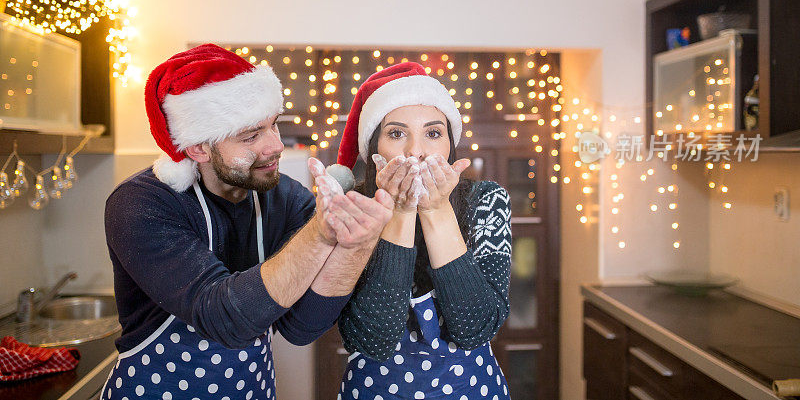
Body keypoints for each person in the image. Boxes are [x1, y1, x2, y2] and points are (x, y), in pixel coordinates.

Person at [101, 44, 393, 400]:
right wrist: (318, 235)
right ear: (198, 148)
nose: (276, 146)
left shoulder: (284, 197)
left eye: (274, 125)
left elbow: (302, 327)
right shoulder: (141, 204)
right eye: (251, 136)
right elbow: (225, 317)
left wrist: (353, 246)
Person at [334, 62, 512, 400]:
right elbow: (374, 338)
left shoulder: (487, 201)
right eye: (397, 133)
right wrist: (401, 210)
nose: (416, 151)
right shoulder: (351, 205)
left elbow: (476, 328)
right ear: (374, 147)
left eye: (433, 133)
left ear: (449, 145)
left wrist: (434, 209)